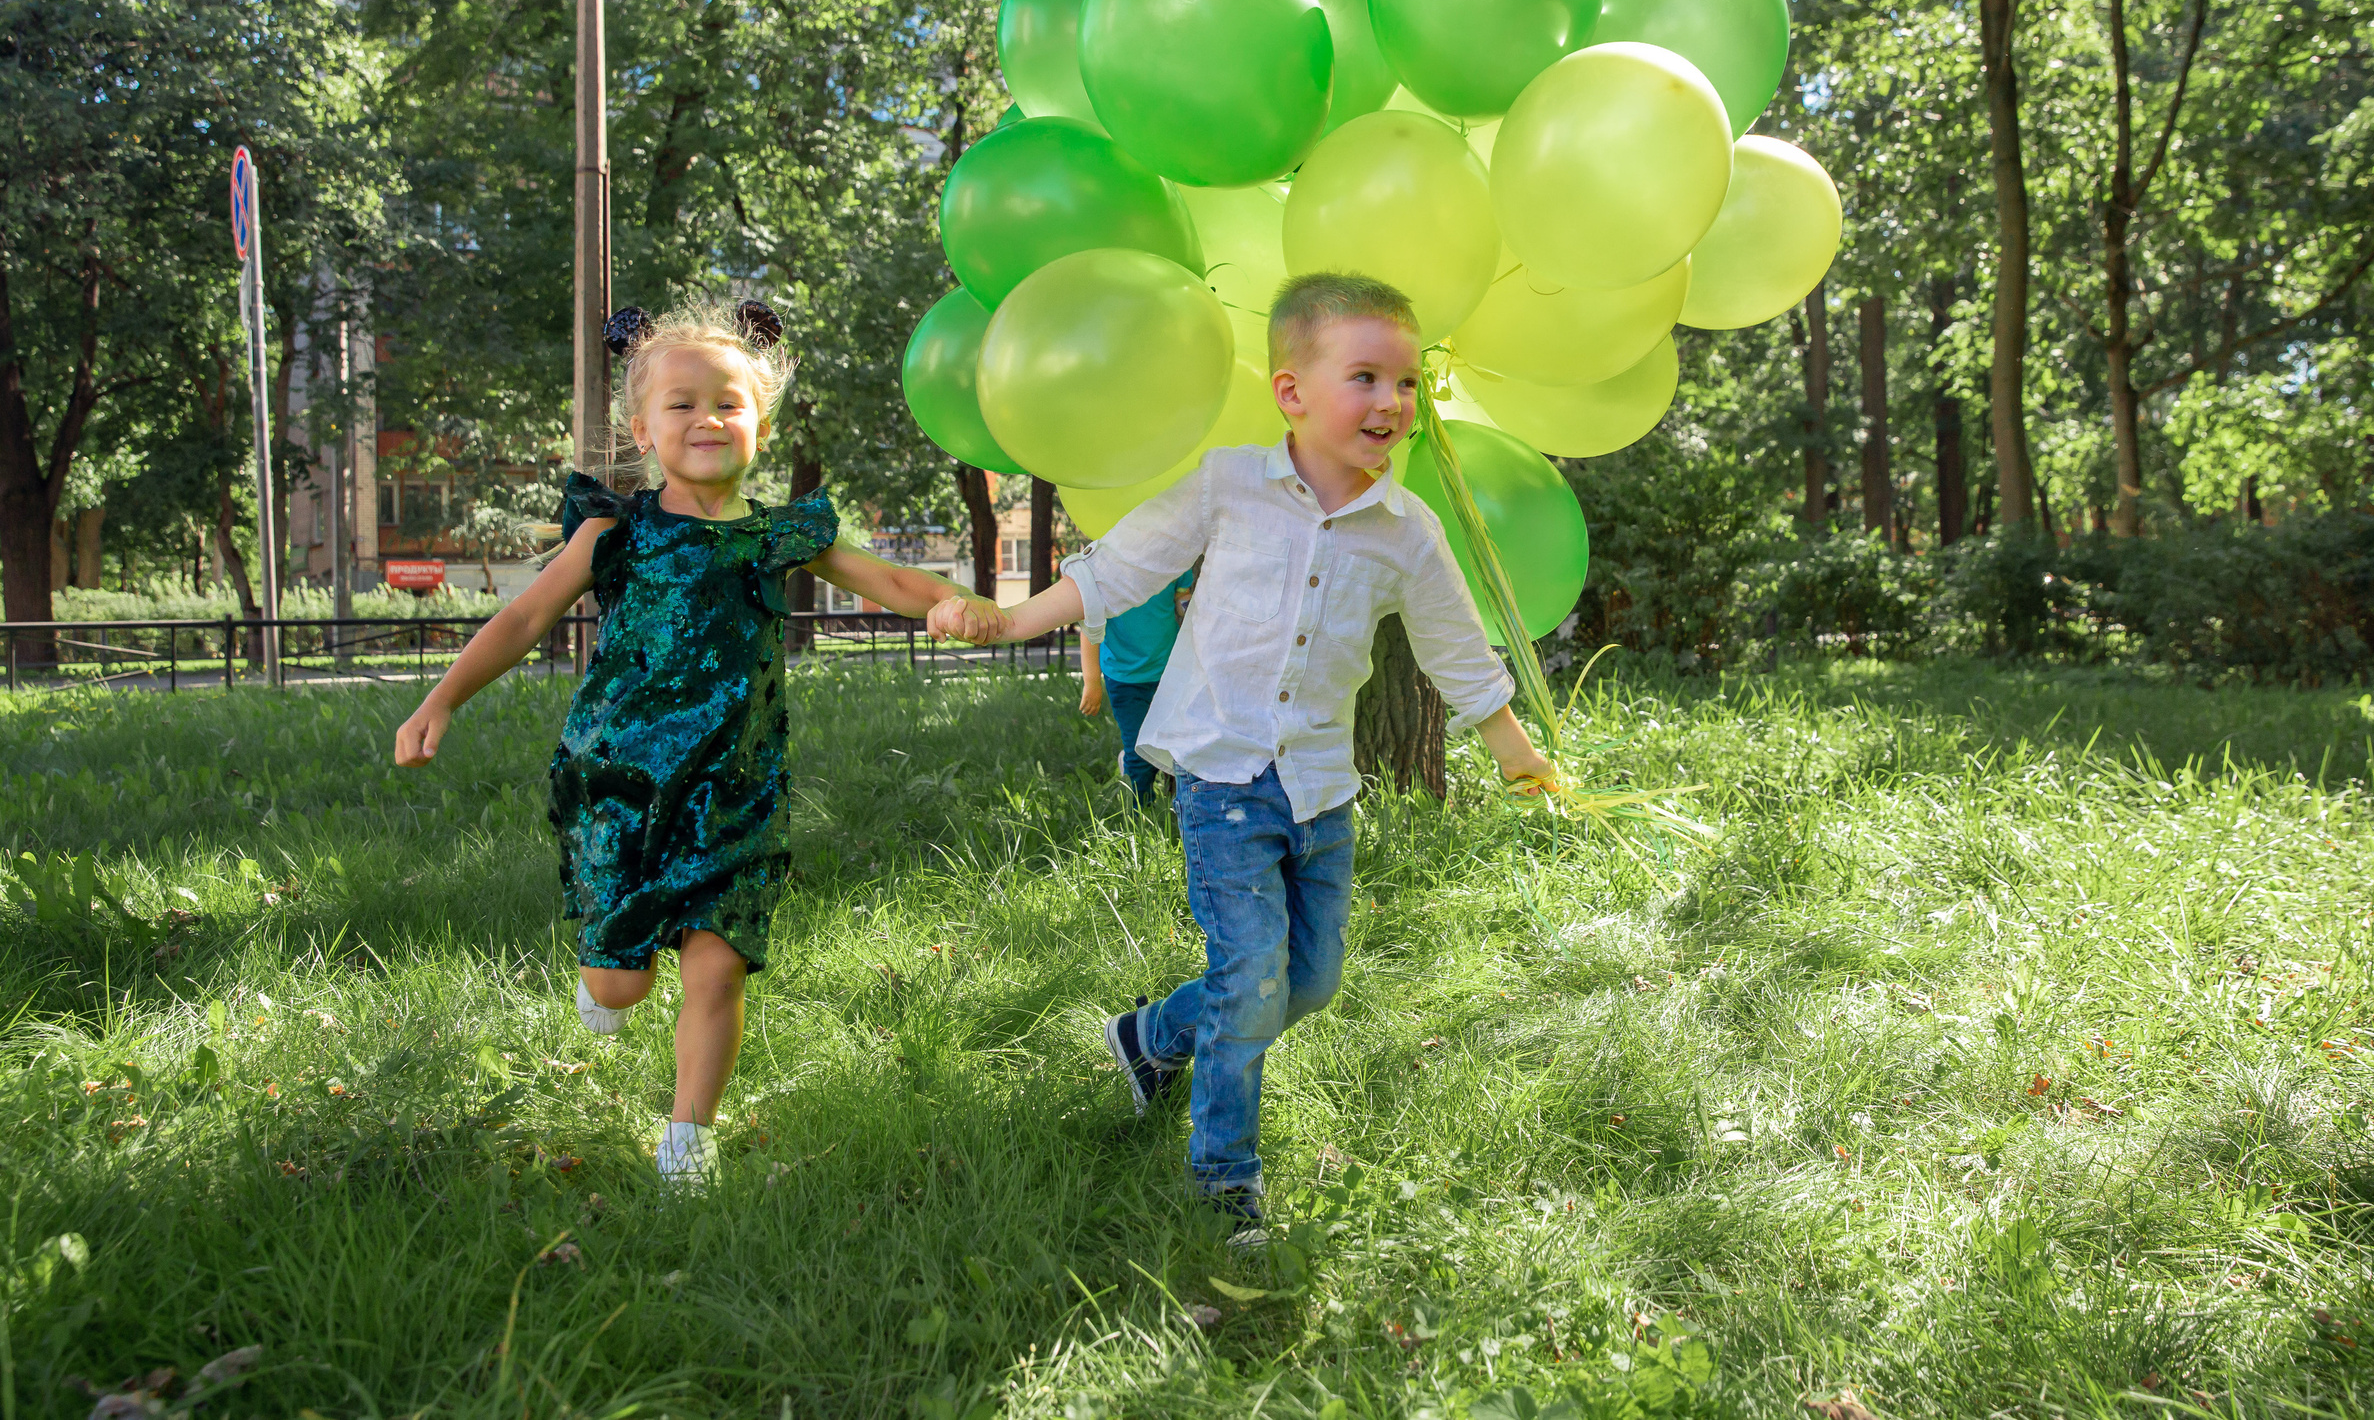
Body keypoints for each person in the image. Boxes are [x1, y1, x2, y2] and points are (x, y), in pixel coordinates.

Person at [392, 296, 1001, 1184]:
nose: (707, 418)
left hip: (735, 786)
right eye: (681, 404)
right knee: (623, 984)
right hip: (622, 784)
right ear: (643, 428)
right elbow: (527, 612)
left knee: (717, 971)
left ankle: (687, 1142)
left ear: (761, 421)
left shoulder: (779, 533)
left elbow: (891, 577)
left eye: (728, 401)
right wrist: (441, 699)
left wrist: (964, 600)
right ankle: (604, 976)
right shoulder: (619, 531)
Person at [988, 272, 1556, 1223]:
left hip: (1322, 789)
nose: (1393, 402)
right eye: (1366, 376)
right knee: (1251, 976)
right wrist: (1015, 622)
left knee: (1310, 979)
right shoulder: (1229, 486)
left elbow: (1458, 650)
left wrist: (1515, 750)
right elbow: (1120, 567)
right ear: (1292, 391)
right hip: (1221, 778)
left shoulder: (1407, 531)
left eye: (1408, 384)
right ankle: (1224, 1177)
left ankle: (1150, 1037)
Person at [1077, 567, 1195, 802]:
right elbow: (1090, 627)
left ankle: (1180, 805)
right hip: (1125, 677)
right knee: (1139, 751)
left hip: (1169, 670)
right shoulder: (1103, 566)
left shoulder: (1175, 558)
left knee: (1178, 742)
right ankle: (1139, 813)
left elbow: (1184, 604)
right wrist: (1091, 681)